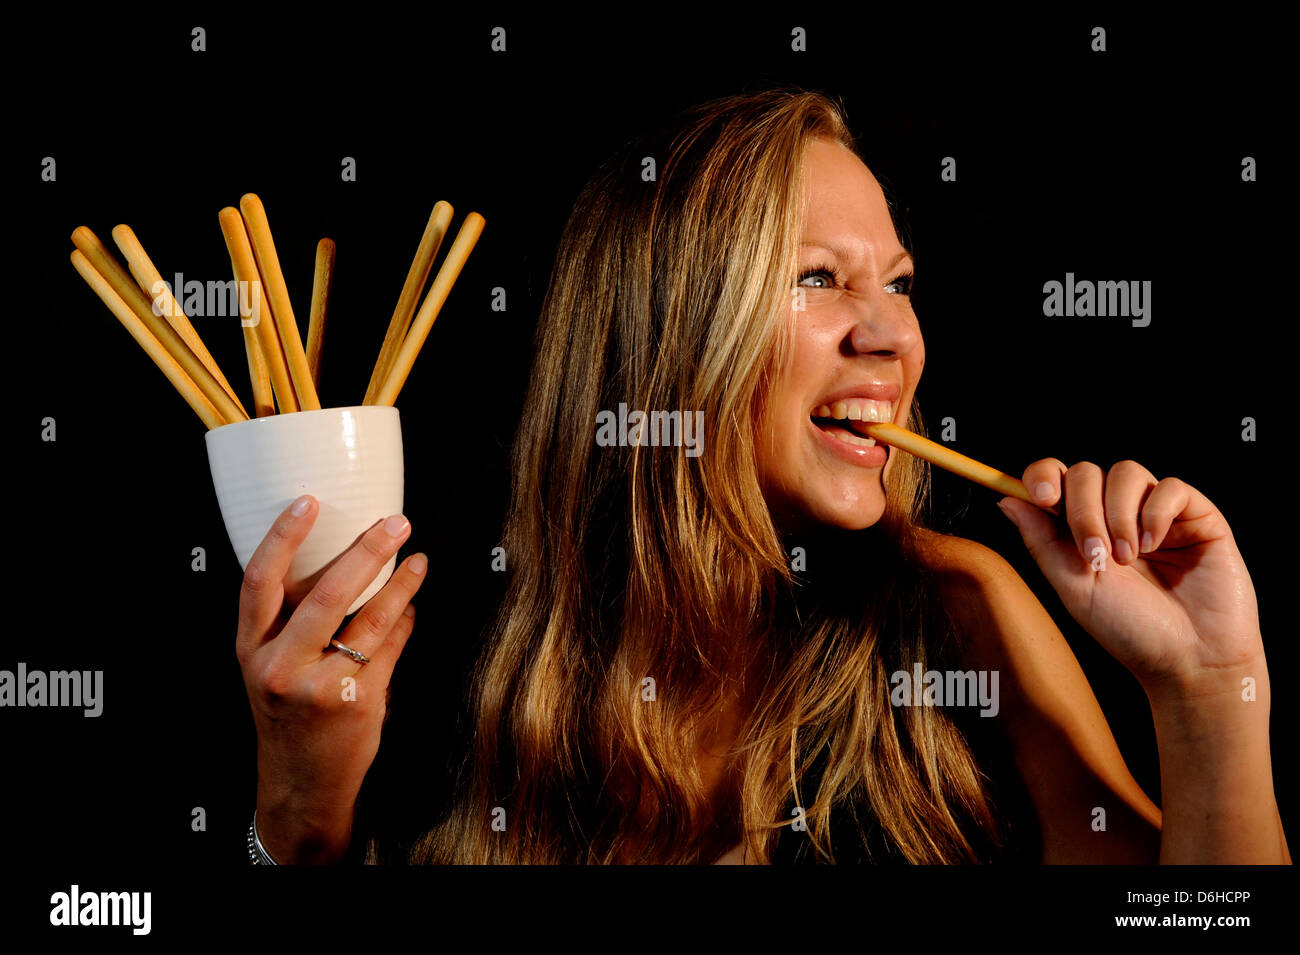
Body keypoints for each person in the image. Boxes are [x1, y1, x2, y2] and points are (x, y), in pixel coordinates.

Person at [235, 89, 1290, 865]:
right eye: (818, 279)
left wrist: (1206, 695)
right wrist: (295, 820)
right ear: (668, 335)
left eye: (899, 284)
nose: (891, 339)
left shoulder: (958, 612)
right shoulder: (455, 650)